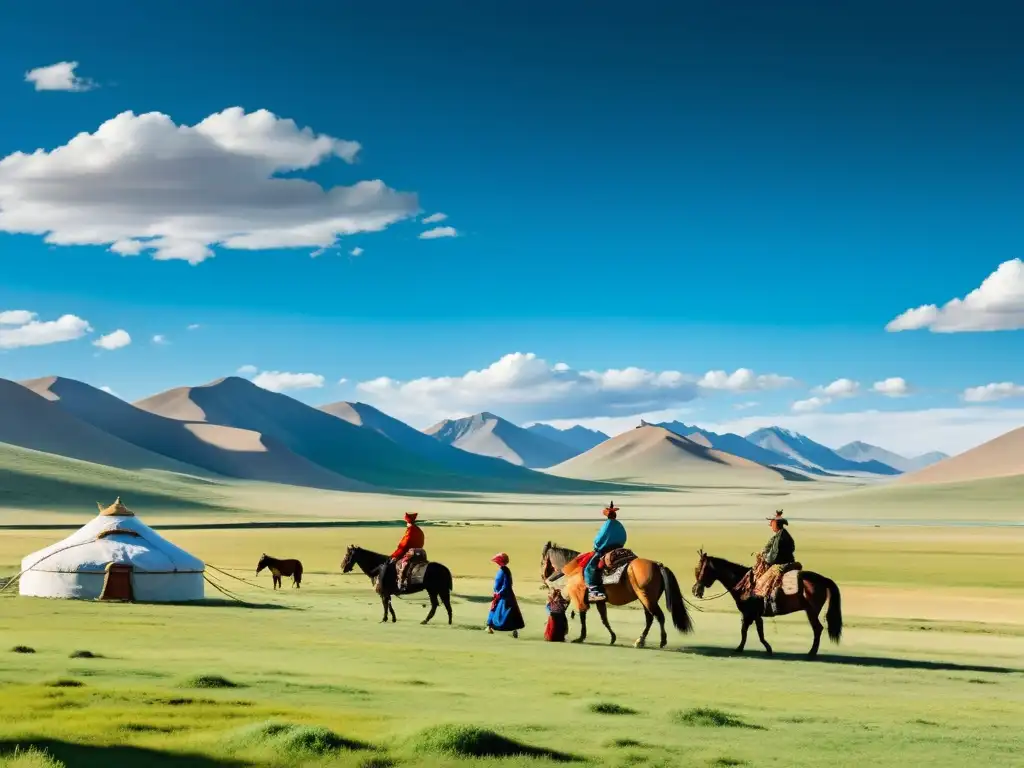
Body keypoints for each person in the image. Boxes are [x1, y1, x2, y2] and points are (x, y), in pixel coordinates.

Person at [753, 509, 796, 614]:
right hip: (783, 561)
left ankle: (772, 603)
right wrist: (762, 552)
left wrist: (765, 559)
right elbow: (768, 547)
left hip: (782, 564)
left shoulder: (781, 537)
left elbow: (773, 555)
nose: (770, 524)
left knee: (765, 580)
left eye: (772, 522)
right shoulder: (779, 535)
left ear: (777, 523)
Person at [584, 502, 627, 602]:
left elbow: (599, 539)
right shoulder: (619, 525)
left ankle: (593, 590)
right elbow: (624, 537)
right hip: (619, 548)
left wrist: (596, 546)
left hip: (606, 550)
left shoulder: (607, 525)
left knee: (589, 567)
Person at [487, 553, 525, 637]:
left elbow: (507, 584)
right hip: (499, 594)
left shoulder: (505, 571)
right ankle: (490, 627)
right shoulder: (502, 570)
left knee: (508, 612)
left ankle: (512, 630)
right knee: (496, 609)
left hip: (505, 595)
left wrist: (500, 593)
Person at [389, 512, 425, 591]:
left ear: (408, 522)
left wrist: (395, 555)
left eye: (406, 522)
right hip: (420, 551)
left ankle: (401, 583)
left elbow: (404, 545)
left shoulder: (410, 530)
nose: (406, 524)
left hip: (411, 552)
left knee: (401, 564)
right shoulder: (418, 529)